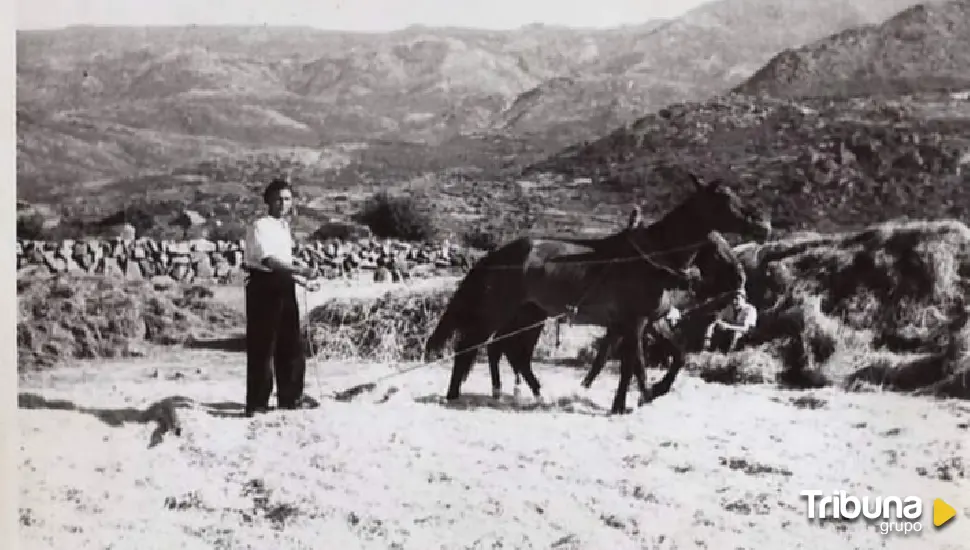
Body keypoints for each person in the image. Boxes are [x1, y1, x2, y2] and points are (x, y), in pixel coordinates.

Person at [243, 178, 321, 417]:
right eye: (278, 199)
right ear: (268, 200)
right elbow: (268, 261)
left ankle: (291, 397)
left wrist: (301, 279)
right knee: (263, 345)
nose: (283, 203)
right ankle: (257, 403)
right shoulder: (260, 226)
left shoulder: (283, 228)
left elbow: (284, 263)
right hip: (263, 288)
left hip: (284, 286)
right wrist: (300, 271)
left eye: (287, 199)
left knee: (291, 343)